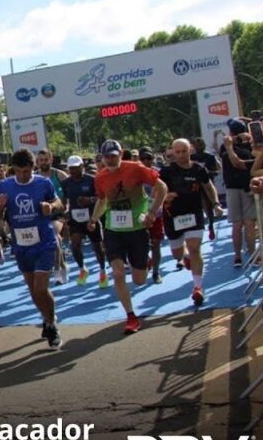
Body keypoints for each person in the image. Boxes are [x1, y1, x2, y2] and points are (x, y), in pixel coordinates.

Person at [90, 140, 167, 334]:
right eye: (106, 157)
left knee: (139, 280)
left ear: (121, 153)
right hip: (113, 231)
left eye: (113, 156)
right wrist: (93, 219)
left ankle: (144, 262)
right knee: (118, 274)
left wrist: (152, 212)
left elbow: (162, 187)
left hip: (137, 230)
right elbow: (102, 201)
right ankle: (131, 316)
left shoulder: (135, 169)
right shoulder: (100, 177)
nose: (110, 160)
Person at [0, 149, 63, 348]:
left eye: (26, 171)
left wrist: (51, 207)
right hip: (21, 245)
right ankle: (46, 317)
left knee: (41, 288)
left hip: (44, 242)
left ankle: (52, 324)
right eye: (18, 171)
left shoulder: (43, 183)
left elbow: (58, 202)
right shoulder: (5, 186)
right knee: (34, 291)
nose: (22, 175)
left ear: (33, 167)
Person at [160, 138, 222, 306]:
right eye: (178, 152)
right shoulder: (166, 171)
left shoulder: (198, 169)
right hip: (172, 216)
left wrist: (216, 204)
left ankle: (197, 287)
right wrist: (165, 196)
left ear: (190, 151)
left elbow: (209, 187)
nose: (181, 155)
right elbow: (155, 193)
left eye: (184, 151)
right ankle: (185, 256)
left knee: (195, 248)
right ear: (173, 153)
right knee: (177, 254)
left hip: (194, 214)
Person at [63, 155, 108, 287]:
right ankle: (82, 269)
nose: (73, 171)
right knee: (75, 245)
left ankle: (103, 270)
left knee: (98, 248)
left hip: (91, 218)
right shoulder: (66, 183)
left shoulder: (92, 180)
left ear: (82, 167)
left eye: (76, 168)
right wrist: (65, 210)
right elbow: (64, 200)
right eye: (71, 168)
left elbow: (102, 198)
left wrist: (90, 200)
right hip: (75, 219)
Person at [221, 119, 257, 266]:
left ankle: (242, 256)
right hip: (239, 188)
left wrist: (230, 145)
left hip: (241, 188)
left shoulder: (228, 147)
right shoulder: (250, 146)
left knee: (244, 224)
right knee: (243, 224)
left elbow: (238, 164)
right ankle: (245, 255)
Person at [36, 149, 70, 285]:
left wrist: (68, 208)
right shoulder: (34, 178)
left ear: (51, 160)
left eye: (46, 160)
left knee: (54, 237)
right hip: (42, 216)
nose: (44, 162)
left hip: (58, 214)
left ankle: (57, 271)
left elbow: (70, 191)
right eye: (41, 160)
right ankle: (63, 265)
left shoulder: (60, 175)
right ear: (38, 162)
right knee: (55, 242)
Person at [138, 149, 166, 284]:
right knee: (142, 245)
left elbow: (165, 189)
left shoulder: (159, 173)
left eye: (148, 158)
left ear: (153, 159)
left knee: (156, 244)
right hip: (140, 214)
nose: (146, 161)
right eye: (143, 159)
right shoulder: (135, 173)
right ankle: (147, 260)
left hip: (156, 214)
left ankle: (156, 272)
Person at [190, 137, 221, 241]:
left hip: (207, 183)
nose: (199, 147)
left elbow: (219, 168)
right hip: (194, 185)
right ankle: (198, 226)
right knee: (197, 206)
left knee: (208, 206)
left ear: (204, 146)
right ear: (194, 146)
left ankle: (211, 226)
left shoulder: (210, 157)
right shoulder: (191, 157)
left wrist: (212, 172)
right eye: (197, 145)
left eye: (201, 145)